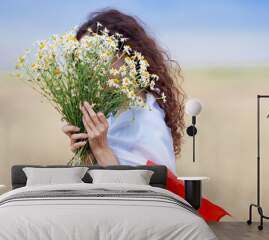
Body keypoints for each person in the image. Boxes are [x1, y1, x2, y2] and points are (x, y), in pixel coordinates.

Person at [62, 9, 185, 173]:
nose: (88, 70)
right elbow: (97, 186)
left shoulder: (149, 123)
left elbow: (152, 195)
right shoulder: (109, 115)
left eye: (97, 56)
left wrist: (101, 149)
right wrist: (85, 150)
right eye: (82, 60)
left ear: (129, 55)